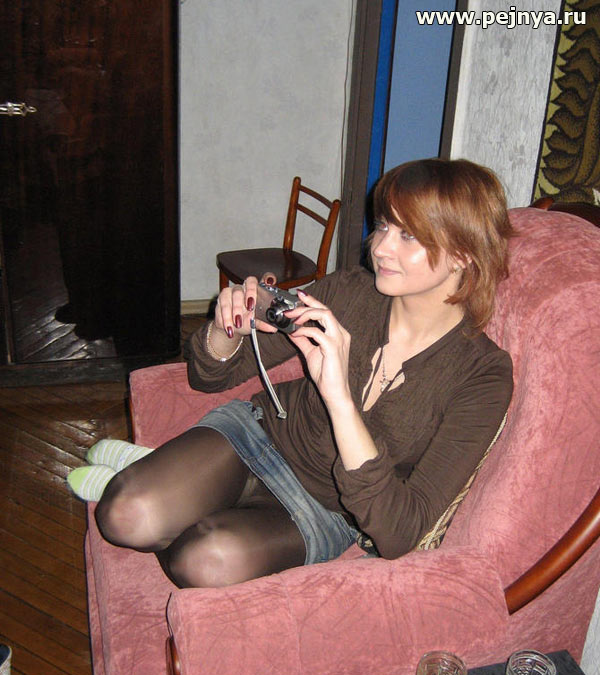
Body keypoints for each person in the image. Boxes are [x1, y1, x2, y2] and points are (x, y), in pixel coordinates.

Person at [69, 158, 514, 588]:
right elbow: (211, 378)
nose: (379, 247)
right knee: (124, 515)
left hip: (327, 509)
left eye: (407, 235)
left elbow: (401, 534)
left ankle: (159, 474)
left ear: (463, 253)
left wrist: (339, 397)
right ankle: (161, 479)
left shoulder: (482, 377)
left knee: (203, 562)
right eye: (383, 225)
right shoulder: (349, 293)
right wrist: (227, 329)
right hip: (260, 436)